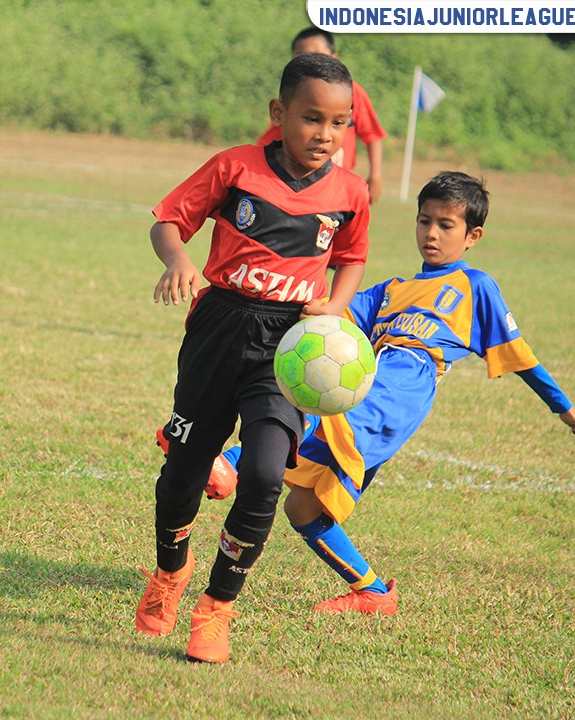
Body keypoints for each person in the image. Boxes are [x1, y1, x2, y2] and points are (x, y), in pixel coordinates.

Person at [169, 171, 575, 617]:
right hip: (375, 381)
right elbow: (327, 312)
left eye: (445, 225)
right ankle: (373, 592)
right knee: (303, 507)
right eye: (424, 221)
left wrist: (564, 409)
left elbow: (522, 356)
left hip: (402, 388)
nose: (431, 233)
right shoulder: (393, 290)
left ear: (473, 236)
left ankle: (230, 462)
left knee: (323, 399)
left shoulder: (478, 287)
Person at [136, 53, 371, 664]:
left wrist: (337, 307)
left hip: (291, 347)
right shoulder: (234, 168)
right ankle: (169, 574)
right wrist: (179, 261)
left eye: (339, 123)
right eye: (311, 118)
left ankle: (217, 608)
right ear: (279, 113)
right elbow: (168, 220)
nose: (325, 134)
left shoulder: (351, 192)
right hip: (219, 328)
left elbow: (351, 256)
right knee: (182, 476)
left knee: (266, 474)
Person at [257, 27, 387, 205]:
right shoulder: (298, 98)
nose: (324, 134)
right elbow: (267, 145)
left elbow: (372, 134)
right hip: (300, 185)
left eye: (338, 122)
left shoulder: (352, 93)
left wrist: (376, 176)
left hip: (335, 185)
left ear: (334, 58)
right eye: (302, 56)